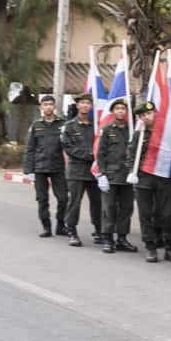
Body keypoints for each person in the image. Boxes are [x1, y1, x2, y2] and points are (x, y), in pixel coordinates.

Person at [126, 101, 171, 264]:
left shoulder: (166, 134)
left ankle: (169, 247)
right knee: (145, 214)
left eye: (149, 113)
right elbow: (131, 155)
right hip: (144, 177)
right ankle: (151, 247)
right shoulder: (138, 134)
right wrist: (131, 172)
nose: (147, 117)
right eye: (143, 115)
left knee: (168, 213)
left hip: (163, 176)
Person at [96, 98, 137, 253]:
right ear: (113, 112)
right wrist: (102, 174)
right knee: (109, 208)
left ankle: (122, 238)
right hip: (111, 175)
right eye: (117, 108)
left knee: (127, 208)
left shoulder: (132, 130)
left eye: (123, 108)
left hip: (127, 175)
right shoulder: (107, 130)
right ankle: (107, 238)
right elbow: (100, 153)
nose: (120, 111)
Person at [24, 94, 67, 238]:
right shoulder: (36, 126)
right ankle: (46, 227)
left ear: (54, 106)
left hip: (58, 167)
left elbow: (68, 145)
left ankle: (61, 225)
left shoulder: (63, 124)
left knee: (63, 199)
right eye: (45, 104)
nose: (48, 106)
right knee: (42, 200)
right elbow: (30, 149)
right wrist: (28, 170)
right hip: (40, 167)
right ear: (41, 107)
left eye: (51, 104)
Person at [60, 93, 101, 246]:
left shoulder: (96, 126)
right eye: (82, 103)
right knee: (74, 203)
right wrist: (91, 155)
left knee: (97, 203)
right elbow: (69, 147)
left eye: (87, 103)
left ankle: (99, 230)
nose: (85, 105)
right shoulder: (69, 126)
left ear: (91, 106)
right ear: (77, 106)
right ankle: (72, 231)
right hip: (76, 172)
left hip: (94, 172)